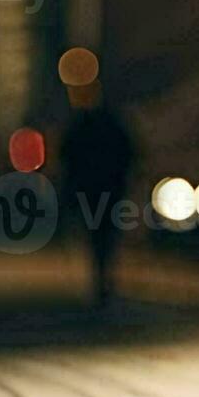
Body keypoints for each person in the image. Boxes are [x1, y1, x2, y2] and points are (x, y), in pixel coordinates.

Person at [62, 84, 135, 307]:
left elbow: (67, 157)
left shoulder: (82, 125)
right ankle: (103, 278)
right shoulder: (109, 124)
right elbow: (129, 152)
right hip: (107, 188)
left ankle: (102, 277)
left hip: (95, 189)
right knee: (105, 236)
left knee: (98, 235)